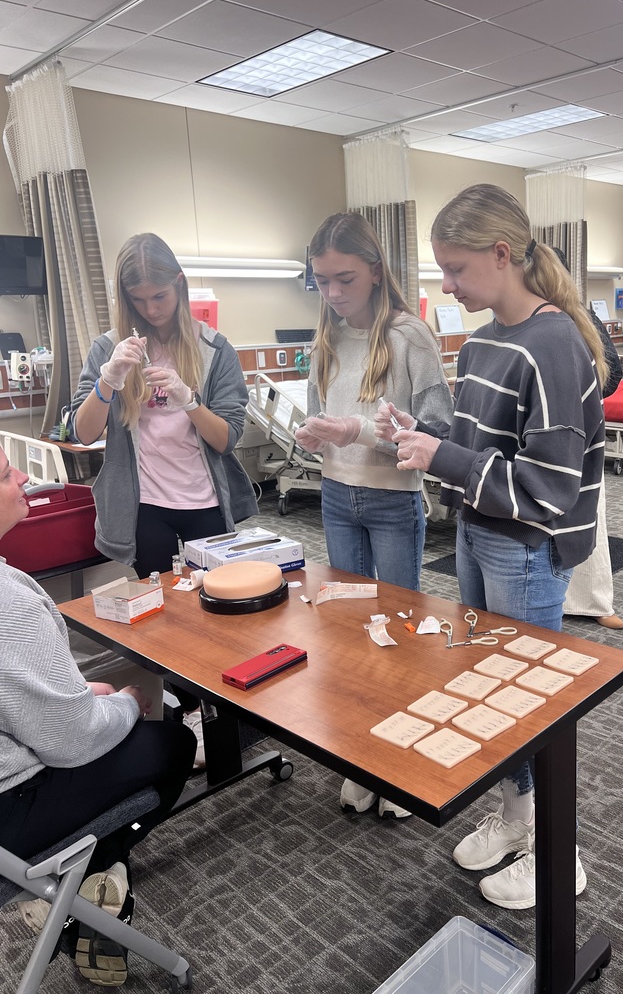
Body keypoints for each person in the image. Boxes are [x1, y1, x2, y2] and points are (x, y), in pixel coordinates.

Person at [378, 184, 607, 909]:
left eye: (455, 269)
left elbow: (548, 488)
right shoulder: (482, 342)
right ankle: (517, 819)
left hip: (525, 547)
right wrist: (415, 434)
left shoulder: (554, 346)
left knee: (530, 702)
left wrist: (442, 458)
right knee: (488, 695)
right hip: (478, 538)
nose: (445, 285)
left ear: (502, 255)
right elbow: (476, 452)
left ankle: (558, 852)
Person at [0, 449, 196, 987]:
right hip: (10, 817)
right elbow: (71, 740)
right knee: (172, 738)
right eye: (4, 474)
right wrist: (130, 700)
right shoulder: (6, 601)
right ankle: (87, 886)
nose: (23, 477)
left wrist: (74, 692)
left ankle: (82, 887)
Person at [70, 233, 257, 760]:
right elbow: (83, 433)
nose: (151, 310)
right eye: (139, 300)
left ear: (179, 285)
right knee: (159, 616)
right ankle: (185, 712)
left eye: (160, 297)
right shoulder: (111, 348)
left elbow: (227, 438)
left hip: (204, 501)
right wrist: (108, 382)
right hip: (144, 506)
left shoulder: (214, 348)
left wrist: (189, 400)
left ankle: (223, 709)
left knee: (215, 610)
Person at [294, 211, 453, 819]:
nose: (333, 295)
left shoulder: (410, 337)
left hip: (391, 502)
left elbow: (436, 434)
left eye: (345, 280)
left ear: (376, 272)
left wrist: (357, 429)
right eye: (322, 282)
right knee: (351, 633)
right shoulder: (327, 338)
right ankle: (364, 756)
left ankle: (402, 761)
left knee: (398, 634)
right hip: (337, 495)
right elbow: (319, 419)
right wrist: (315, 435)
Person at [552, 248, 623, 631]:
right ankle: (554, 598)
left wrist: (581, 396)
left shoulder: (579, 316)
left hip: (579, 430)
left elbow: (612, 374)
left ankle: (595, 601)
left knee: (587, 512)